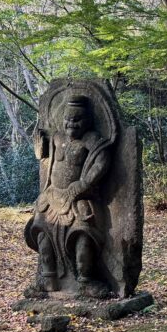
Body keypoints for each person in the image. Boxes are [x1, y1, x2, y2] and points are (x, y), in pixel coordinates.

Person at [25, 95, 111, 296]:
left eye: (77, 119)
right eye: (68, 119)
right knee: (42, 234)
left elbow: (101, 161)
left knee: (83, 236)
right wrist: (40, 152)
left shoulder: (92, 139)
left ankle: (85, 280)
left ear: (88, 120)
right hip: (52, 197)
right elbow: (49, 161)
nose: (71, 123)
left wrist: (85, 183)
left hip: (77, 199)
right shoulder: (57, 137)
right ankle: (48, 278)